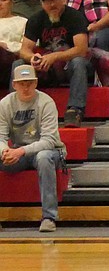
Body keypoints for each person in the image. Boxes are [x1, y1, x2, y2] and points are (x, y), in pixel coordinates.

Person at [0, 64, 67, 233]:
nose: (26, 87)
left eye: (29, 82)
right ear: (14, 85)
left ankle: (49, 217)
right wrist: (4, 152)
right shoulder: (5, 104)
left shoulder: (46, 102)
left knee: (43, 157)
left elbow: (49, 140)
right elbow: (0, 136)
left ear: (36, 83)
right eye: (22, 83)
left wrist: (20, 151)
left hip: (50, 152)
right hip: (18, 153)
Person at [20, 0, 91, 127]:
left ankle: (75, 110)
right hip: (48, 66)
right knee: (19, 65)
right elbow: (24, 50)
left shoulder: (75, 17)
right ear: (42, 4)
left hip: (71, 66)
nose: (52, 4)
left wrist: (54, 57)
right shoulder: (35, 19)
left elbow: (82, 49)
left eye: (56, 0)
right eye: (48, 1)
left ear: (63, 0)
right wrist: (32, 58)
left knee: (78, 61)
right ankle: (19, 109)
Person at [0, 0, 27, 89]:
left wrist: (6, 47)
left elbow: (28, 47)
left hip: (11, 59)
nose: (0, 3)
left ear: (11, 3)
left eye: (3, 0)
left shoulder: (23, 22)